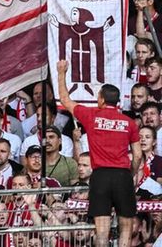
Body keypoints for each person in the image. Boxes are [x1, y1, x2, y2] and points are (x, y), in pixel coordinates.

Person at [56, 60, 141, 247]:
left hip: (101, 176)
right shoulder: (130, 123)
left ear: (101, 99)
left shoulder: (92, 115)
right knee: (126, 228)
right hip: (122, 175)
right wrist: (131, 173)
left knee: (101, 230)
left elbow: (65, 100)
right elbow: (138, 154)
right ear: (118, 102)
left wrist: (62, 73)